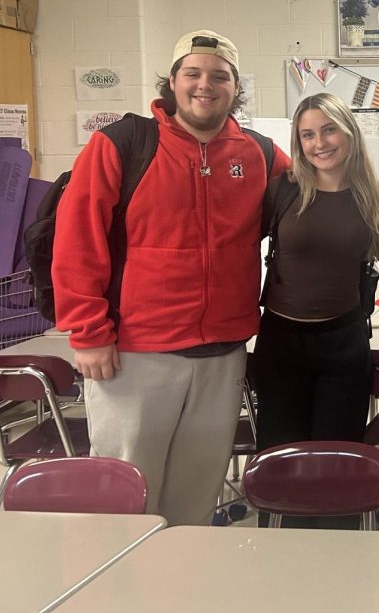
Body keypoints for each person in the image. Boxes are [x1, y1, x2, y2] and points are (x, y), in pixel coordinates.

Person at [52, 30, 289, 525]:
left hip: (221, 354)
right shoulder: (122, 144)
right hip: (134, 354)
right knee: (126, 499)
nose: (206, 85)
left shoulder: (260, 154)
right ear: (173, 81)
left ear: (235, 86)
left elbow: (321, 195)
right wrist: (89, 332)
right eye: (193, 73)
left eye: (220, 76)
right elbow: (76, 240)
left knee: (196, 497)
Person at [255, 92, 379, 527]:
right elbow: (237, 244)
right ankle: (280, 564)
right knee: (279, 465)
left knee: (335, 464)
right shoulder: (284, 189)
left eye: (328, 130)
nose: (319, 143)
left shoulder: (369, 193)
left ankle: (335, 563)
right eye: (307, 134)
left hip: (343, 345)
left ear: (349, 132)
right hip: (282, 343)